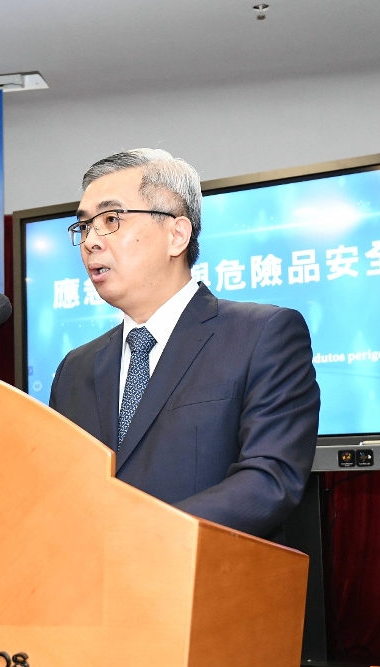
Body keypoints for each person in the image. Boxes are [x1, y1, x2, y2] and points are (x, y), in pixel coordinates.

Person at [48, 149, 319, 539]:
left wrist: (146, 536)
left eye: (110, 220)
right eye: (84, 226)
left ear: (176, 235)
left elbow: (269, 479)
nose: (90, 241)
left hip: (204, 570)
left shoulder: (261, 335)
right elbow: (62, 492)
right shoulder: (75, 369)